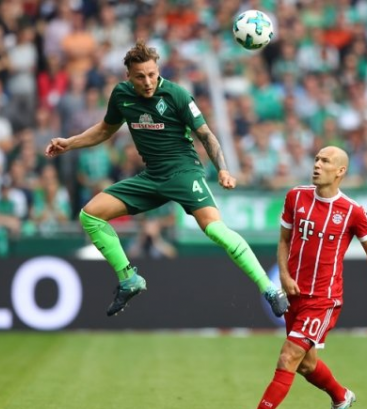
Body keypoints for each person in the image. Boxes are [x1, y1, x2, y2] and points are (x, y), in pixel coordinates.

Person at [45, 40, 289, 318]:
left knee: (214, 229)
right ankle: (129, 278)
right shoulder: (121, 95)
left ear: (158, 70)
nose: (148, 81)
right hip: (152, 177)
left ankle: (270, 289)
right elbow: (104, 130)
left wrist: (222, 169)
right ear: (128, 76)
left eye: (152, 74)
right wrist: (70, 143)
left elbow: (206, 135)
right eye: (140, 76)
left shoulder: (177, 95)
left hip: (184, 173)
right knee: (90, 215)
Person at [225, 146, 367, 409]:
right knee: (306, 365)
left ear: (340, 171)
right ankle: (341, 396)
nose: (317, 165)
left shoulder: (352, 211)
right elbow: (284, 240)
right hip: (294, 295)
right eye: (317, 159)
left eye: (326, 161)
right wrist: (284, 276)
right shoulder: (295, 197)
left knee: (288, 357)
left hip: (323, 299)